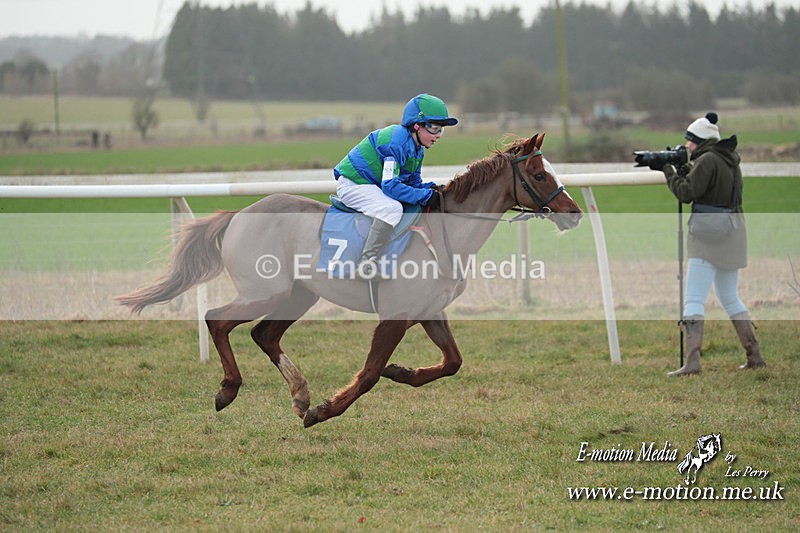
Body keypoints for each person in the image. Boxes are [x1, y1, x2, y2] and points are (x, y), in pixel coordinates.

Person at [661, 112, 765, 375]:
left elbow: (686, 193)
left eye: (690, 141)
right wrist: (686, 171)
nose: (686, 146)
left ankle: (693, 362)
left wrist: (669, 173)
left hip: (708, 236)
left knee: (694, 299)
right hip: (733, 232)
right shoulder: (729, 159)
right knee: (730, 297)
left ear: (700, 141)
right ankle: (755, 355)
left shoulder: (706, 160)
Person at [333, 93, 458, 277]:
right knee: (391, 208)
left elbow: (414, 183)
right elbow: (390, 186)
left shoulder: (417, 149)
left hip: (371, 184)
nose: (438, 135)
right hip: (354, 183)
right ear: (417, 125)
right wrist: (425, 196)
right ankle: (366, 263)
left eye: (441, 130)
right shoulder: (396, 143)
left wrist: (435, 189)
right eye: (433, 128)